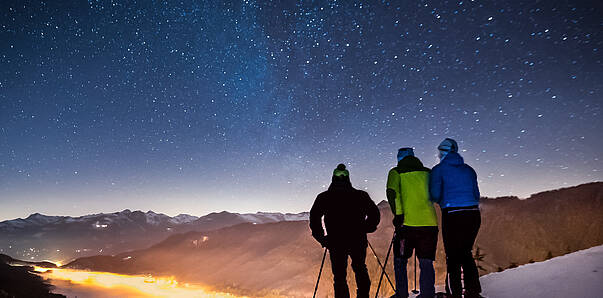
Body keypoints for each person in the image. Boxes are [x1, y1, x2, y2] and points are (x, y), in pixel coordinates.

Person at [310, 164, 381, 298]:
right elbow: (374, 214)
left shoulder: (324, 197)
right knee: (360, 268)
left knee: (339, 276)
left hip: (335, 241)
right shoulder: (360, 195)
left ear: (333, 178)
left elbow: (314, 218)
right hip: (358, 239)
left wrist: (322, 238)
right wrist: (367, 228)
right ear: (348, 179)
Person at [429, 138, 482, 298]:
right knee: (466, 253)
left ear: (443, 152)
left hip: (453, 214)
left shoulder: (438, 170)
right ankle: (473, 292)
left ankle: (455, 293)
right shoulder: (469, 170)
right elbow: (476, 195)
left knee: (453, 256)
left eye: (440, 151)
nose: (438, 154)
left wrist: (442, 200)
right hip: (473, 214)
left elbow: (435, 195)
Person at [386, 148, 439, 298]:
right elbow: (436, 194)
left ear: (399, 158)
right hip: (429, 224)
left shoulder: (395, 172)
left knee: (400, 260)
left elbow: (392, 193)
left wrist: (399, 215)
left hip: (406, 226)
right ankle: (427, 294)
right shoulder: (428, 172)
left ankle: (402, 294)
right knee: (426, 262)